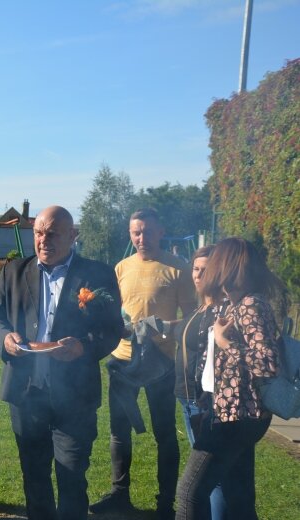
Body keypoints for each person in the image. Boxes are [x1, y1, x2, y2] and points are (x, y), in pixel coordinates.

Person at [0, 206, 122, 520]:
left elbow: (112, 329)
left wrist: (84, 346)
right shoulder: (14, 271)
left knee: (72, 478)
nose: (43, 240)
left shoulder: (97, 274)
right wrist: (4, 338)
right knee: (34, 479)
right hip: (26, 394)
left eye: (53, 233)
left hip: (74, 398)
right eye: (38, 233)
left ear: (73, 235)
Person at [90, 208, 196, 519]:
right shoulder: (121, 268)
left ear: (160, 232)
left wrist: (161, 326)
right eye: (136, 232)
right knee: (118, 432)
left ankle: (166, 502)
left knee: (164, 432)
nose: (142, 238)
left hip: (161, 363)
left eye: (147, 232)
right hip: (122, 360)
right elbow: (114, 312)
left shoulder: (178, 269)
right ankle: (119, 494)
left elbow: (192, 321)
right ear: (130, 234)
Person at [176, 238, 285, 519]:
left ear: (226, 266)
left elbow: (268, 363)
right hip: (235, 414)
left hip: (236, 418)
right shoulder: (236, 303)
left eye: (214, 263)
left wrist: (227, 344)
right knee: (239, 497)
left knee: (189, 492)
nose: (208, 270)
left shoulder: (251, 305)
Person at [173, 245, 226, 519]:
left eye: (206, 269)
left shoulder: (219, 309)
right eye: (195, 268)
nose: (199, 274)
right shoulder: (202, 306)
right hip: (188, 398)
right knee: (208, 476)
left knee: (209, 478)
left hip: (205, 402)